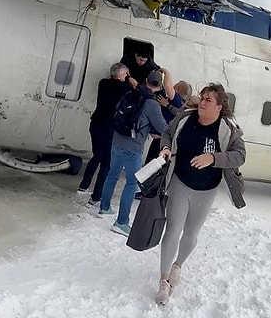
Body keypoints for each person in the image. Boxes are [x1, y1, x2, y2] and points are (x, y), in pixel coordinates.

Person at [155, 83, 246, 305]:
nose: (202, 102)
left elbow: (239, 155)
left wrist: (213, 158)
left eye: (208, 100)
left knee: (191, 233)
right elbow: (168, 132)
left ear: (219, 107)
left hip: (206, 190)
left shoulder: (227, 129)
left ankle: (178, 266)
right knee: (172, 231)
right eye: (202, 97)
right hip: (180, 183)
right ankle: (164, 281)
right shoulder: (186, 118)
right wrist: (166, 148)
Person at [99, 70, 168, 236]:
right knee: (132, 183)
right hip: (133, 147)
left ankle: (104, 207)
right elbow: (163, 128)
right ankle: (122, 222)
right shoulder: (152, 104)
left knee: (112, 175)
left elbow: (117, 110)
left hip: (117, 140)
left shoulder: (130, 94)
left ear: (145, 81)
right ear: (158, 87)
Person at [77, 63, 132, 205]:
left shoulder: (103, 83)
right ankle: (96, 196)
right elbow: (132, 92)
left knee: (97, 156)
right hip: (109, 129)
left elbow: (112, 82)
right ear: (121, 75)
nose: (127, 76)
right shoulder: (125, 88)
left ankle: (84, 184)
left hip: (96, 124)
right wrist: (131, 81)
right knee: (107, 164)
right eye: (125, 74)